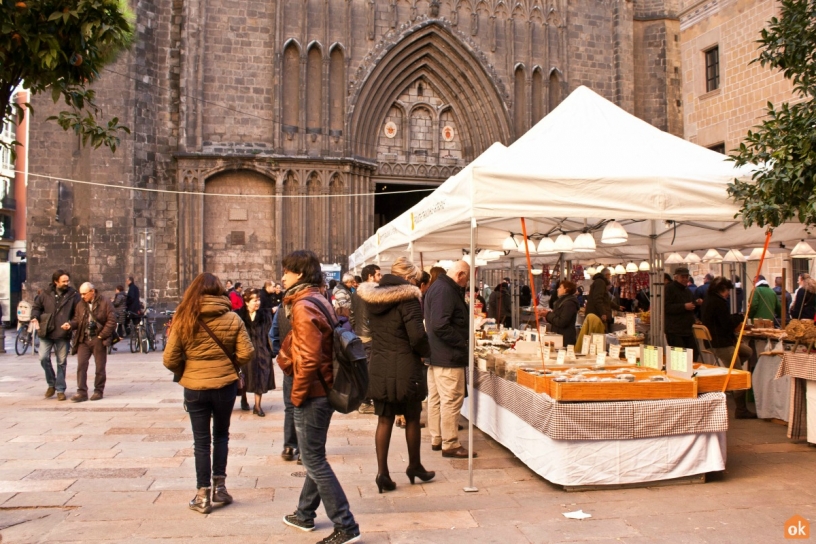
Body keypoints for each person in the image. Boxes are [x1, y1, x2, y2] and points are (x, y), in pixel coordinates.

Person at [277, 250, 360, 544]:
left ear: (299, 274)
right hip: (324, 389)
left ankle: (346, 525)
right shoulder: (320, 297)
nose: (282, 276)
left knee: (313, 460)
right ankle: (304, 513)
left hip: (313, 392)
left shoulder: (302, 305)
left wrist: (296, 396)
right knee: (315, 455)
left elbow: (309, 358)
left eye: (286, 271)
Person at [163, 273, 254, 514]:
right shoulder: (233, 319)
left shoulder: (183, 317)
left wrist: (188, 371)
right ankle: (220, 488)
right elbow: (247, 353)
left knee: (201, 442)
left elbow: (169, 359)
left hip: (195, 388)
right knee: (221, 435)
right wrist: (230, 365)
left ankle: (202, 495)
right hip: (225, 385)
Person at [357, 257, 433, 493]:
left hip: (380, 364)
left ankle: (383, 473)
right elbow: (417, 336)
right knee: (412, 416)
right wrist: (426, 353)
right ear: (409, 278)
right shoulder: (408, 299)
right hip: (405, 365)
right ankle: (414, 465)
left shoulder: (373, 298)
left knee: (384, 418)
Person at [424, 260, 476, 458]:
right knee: (450, 401)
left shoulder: (439, 286)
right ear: (460, 275)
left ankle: (438, 438)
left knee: (437, 400)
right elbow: (440, 325)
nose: (466, 283)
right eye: (467, 279)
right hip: (447, 356)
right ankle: (450, 443)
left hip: (437, 355)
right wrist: (462, 342)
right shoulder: (445, 290)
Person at [702, 276, 756, 419]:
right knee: (738, 374)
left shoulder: (710, 300)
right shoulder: (717, 303)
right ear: (722, 290)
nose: (728, 294)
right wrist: (739, 317)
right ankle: (741, 409)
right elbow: (726, 325)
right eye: (727, 291)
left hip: (716, 341)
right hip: (721, 343)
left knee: (748, 351)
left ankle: (730, 369)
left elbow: (723, 321)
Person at [31, 270, 80, 401]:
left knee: (61, 362)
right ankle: (51, 383)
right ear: (55, 282)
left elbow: (79, 313)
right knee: (43, 358)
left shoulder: (73, 295)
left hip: (63, 332)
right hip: (46, 331)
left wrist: (71, 324)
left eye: (67, 281)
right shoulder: (45, 294)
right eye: (63, 281)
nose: (66, 283)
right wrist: (35, 317)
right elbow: (36, 307)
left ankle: (60, 389)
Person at [69, 283, 116, 402]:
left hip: (98, 338)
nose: (82, 296)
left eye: (84, 294)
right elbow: (77, 320)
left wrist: (101, 335)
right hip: (83, 339)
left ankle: (98, 390)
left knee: (100, 367)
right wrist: (70, 325)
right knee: (81, 365)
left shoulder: (105, 302)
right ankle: (81, 392)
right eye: (81, 294)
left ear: (92, 291)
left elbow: (111, 320)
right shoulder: (80, 304)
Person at [238, 288, 275, 416]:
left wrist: (271, 351)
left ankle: (257, 406)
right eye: (254, 300)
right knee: (243, 377)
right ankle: (244, 399)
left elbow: (270, 333)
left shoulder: (265, 314)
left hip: (261, 350)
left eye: (258, 300)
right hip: (245, 352)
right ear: (247, 302)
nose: (257, 303)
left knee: (261, 378)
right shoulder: (239, 315)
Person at [270, 306, 299, 463]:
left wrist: (281, 354)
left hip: (289, 364)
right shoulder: (314, 305)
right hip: (309, 365)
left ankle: (289, 446)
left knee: (290, 406)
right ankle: (303, 449)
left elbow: (273, 335)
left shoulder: (282, 309)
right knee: (306, 405)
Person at [351, 264, 381, 415]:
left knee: (365, 367)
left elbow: (351, 315)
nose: (380, 278)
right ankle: (365, 402)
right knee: (370, 369)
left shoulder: (356, 293)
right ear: (370, 276)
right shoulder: (371, 293)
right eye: (378, 275)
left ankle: (364, 400)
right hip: (369, 335)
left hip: (360, 334)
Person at [664, 266, 699, 353]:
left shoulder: (687, 291)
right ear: (676, 277)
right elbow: (666, 307)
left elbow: (691, 303)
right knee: (679, 356)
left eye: (686, 277)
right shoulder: (669, 288)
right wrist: (684, 307)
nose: (685, 279)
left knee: (693, 353)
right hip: (674, 330)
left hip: (687, 329)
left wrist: (696, 303)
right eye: (682, 277)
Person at [540, 280, 579, 345]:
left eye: (560, 287)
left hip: (565, 340)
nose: (557, 289)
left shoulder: (569, 303)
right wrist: (547, 315)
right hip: (558, 337)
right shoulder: (561, 302)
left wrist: (548, 314)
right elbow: (556, 318)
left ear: (566, 289)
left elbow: (562, 322)